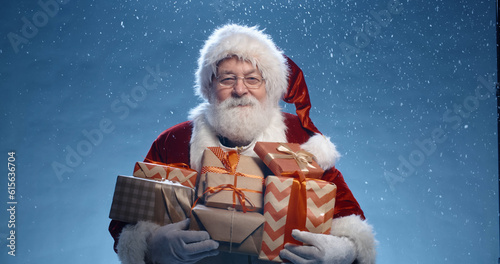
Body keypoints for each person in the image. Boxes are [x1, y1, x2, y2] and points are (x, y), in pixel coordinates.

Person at [109, 24, 377, 264]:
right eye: (227, 79)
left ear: (268, 87)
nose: (240, 90)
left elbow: (345, 211)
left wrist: (342, 250)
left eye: (252, 78)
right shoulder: (173, 141)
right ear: (209, 87)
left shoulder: (298, 136)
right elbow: (128, 215)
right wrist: (154, 247)